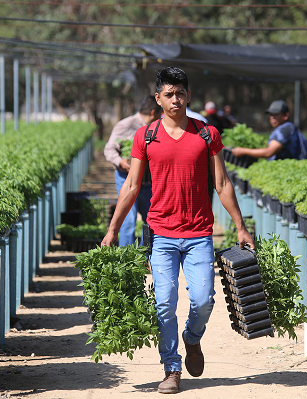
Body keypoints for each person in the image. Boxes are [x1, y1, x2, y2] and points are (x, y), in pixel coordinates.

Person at [101, 66, 254, 394]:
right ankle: (171, 368)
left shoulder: (206, 133)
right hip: (161, 234)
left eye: (180, 93)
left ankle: (192, 338)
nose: (175, 99)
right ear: (158, 99)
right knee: (164, 303)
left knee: (203, 300)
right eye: (168, 94)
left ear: (188, 95)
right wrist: (113, 229)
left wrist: (241, 226)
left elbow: (222, 182)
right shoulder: (146, 136)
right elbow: (131, 185)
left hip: (199, 234)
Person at [103, 96, 162, 246]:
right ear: (153, 112)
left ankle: (145, 254)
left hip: (148, 182)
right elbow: (109, 149)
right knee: (128, 219)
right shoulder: (126, 125)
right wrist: (120, 161)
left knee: (152, 219)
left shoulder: (160, 127)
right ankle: (127, 258)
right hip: (126, 178)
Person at [231, 100, 304, 160]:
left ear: (285, 115)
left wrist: (243, 151)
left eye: (276, 114)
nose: (272, 117)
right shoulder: (287, 127)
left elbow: (269, 152)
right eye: (271, 114)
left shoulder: (285, 130)